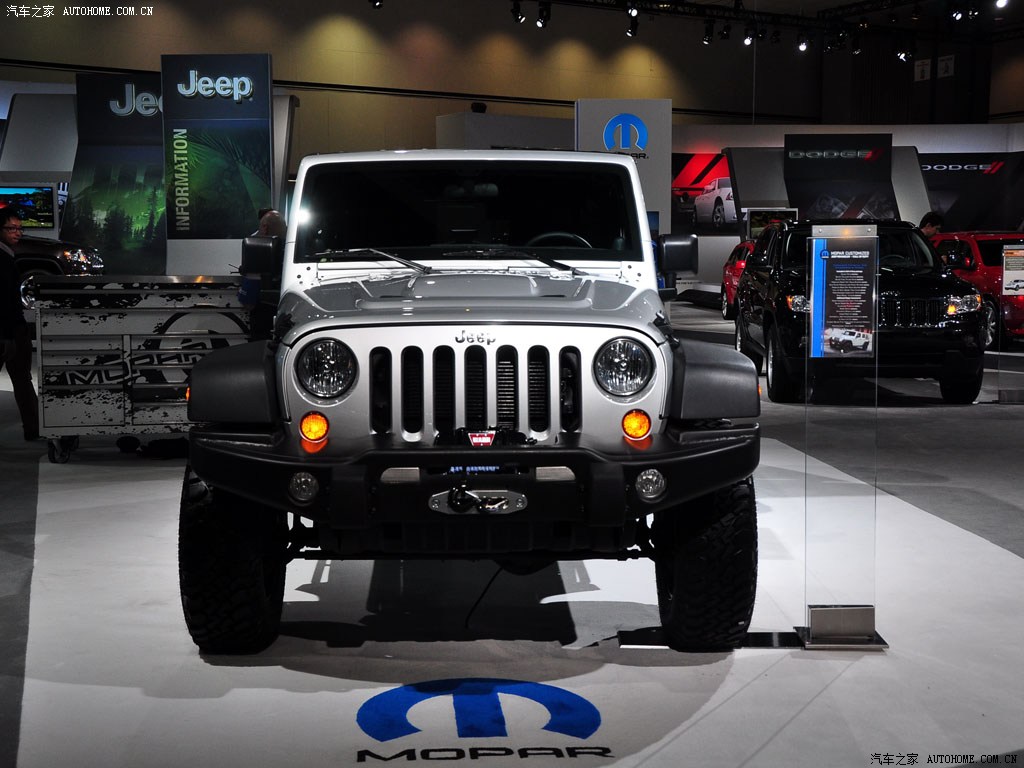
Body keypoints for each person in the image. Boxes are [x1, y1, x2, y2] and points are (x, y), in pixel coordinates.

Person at [0, 206, 40, 441]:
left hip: (12, 330)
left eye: (19, 228)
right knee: (23, 380)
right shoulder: (3, 260)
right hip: (10, 331)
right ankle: (33, 428)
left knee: (22, 380)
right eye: (11, 228)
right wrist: (8, 335)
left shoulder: (8, 257)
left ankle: (33, 428)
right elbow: (5, 301)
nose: (17, 232)